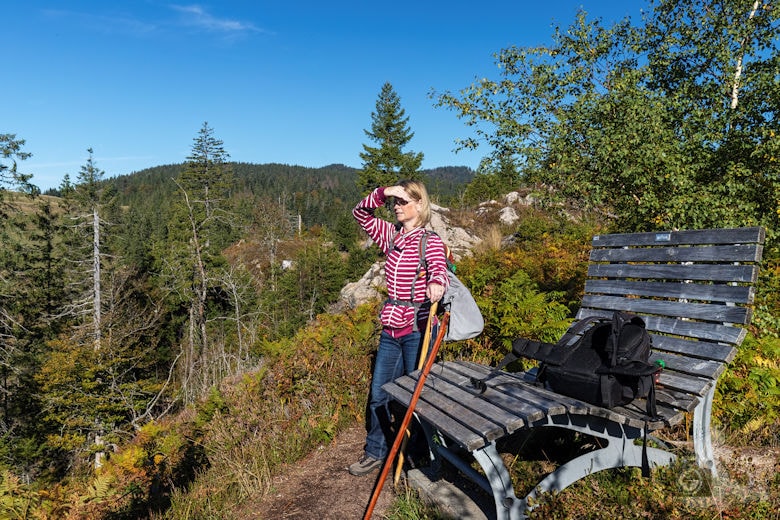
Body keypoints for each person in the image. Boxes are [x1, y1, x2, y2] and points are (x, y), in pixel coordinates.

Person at [348, 180, 450, 476]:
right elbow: (360, 214)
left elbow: (437, 265)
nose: (397, 207)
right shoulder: (390, 235)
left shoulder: (428, 240)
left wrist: (436, 282)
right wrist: (384, 193)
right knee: (380, 395)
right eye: (396, 203)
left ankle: (418, 454)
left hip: (418, 327)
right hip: (391, 328)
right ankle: (375, 451)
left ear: (420, 204)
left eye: (404, 201)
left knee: (414, 397)